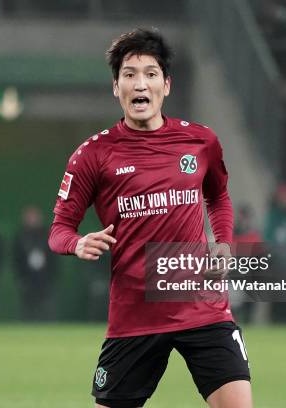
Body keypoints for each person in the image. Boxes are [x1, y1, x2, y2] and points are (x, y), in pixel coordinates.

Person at [48, 29, 251, 408]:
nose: (140, 83)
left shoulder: (201, 141)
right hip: (134, 316)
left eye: (150, 73)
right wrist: (77, 243)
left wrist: (221, 241)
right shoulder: (92, 156)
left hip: (203, 307)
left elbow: (218, 195)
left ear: (166, 85)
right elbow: (59, 230)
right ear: (116, 87)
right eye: (129, 74)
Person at [13, 206, 58, 321]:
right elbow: (16, 260)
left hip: (45, 280)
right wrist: (21, 279)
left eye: (34, 216)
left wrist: (52, 277)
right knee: (28, 312)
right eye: (29, 217)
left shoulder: (48, 235)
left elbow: (54, 259)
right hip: (27, 281)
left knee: (46, 311)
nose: (32, 219)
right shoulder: (20, 237)